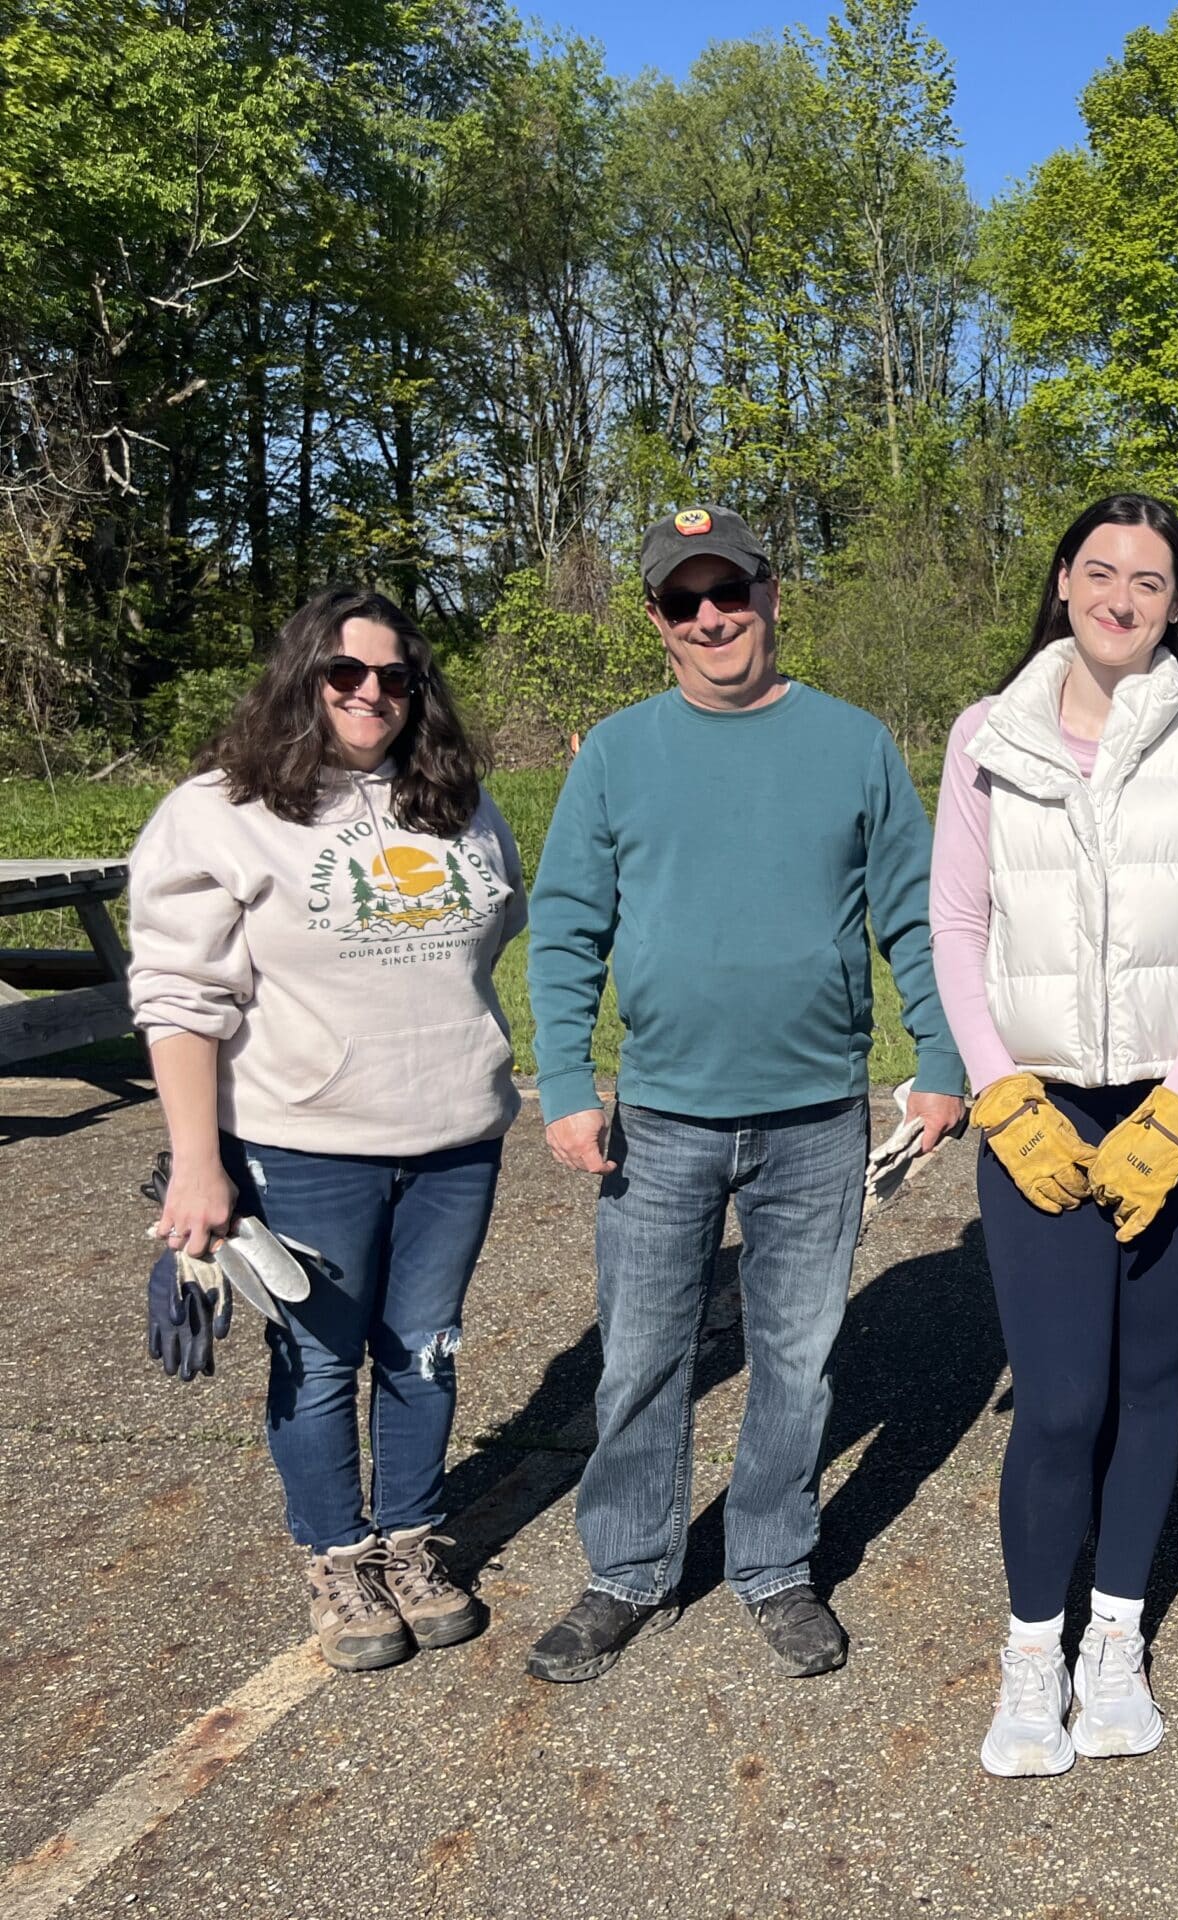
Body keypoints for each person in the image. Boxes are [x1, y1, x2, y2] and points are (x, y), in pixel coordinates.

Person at [524, 505, 966, 1685]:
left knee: (796, 1359)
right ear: (658, 620)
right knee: (640, 1357)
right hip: (660, 1117)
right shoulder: (618, 753)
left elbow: (916, 916)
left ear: (773, 596)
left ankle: (774, 1562)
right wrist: (564, 1080)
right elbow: (565, 926)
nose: (712, 616)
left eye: (731, 592)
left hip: (816, 1116)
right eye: (686, 599)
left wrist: (940, 1059)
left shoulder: (854, 744)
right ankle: (629, 1568)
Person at [931, 493, 1178, 1778]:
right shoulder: (984, 736)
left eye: (1151, 581)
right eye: (1101, 571)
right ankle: (1034, 1651)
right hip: (1042, 1109)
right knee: (1061, 1396)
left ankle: (1115, 1640)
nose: (1122, 598)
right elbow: (955, 926)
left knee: (1147, 1382)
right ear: (1064, 579)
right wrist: (1000, 1091)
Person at [127, 586, 525, 1672]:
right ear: (303, 678)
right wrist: (198, 1164)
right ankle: (337, 1557)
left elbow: (495, 931)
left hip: (454, 1135)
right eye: (344, 673)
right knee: (316, 1359)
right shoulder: (221, 810)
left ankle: (410, 1540)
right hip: (305, 1143)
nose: (370, 694)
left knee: (425, 1350)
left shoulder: (456, 801)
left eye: (396, 676)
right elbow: (180, 998)